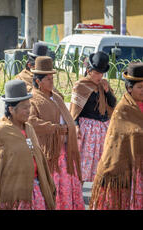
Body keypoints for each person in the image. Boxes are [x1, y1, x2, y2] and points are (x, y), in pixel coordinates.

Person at [0, 80, 56, 210]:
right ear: (11, 109)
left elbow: (39, 159)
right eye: (24, 108)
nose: (29, 111)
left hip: (35, 191)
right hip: (12, 197)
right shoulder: (1, 132)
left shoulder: (29, 129)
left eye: (29, 106)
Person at [28, 56, 85, 210]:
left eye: (52, 77)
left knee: (67, 185)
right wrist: (55, 128)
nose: (52, 81)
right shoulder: (33, 99)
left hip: (64, 151)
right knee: (53, 187)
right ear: (38, 81)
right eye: (48, 78)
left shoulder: (56, 97)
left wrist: (71, 128)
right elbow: (31, 121)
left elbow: (67, 117)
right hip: (50, 154)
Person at [90, 62, 143, 210]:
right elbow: (118, 140)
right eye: (140, 87)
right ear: (129, 88)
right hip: (130, 170)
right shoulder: (123, 109)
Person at [70, 51, 116, 183]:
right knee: (84, 164)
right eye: (96, 72)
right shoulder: (81, 85)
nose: (99, 76)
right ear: (89, 71)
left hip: (103, 128)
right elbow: (74, 110)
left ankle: (99, 197)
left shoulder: (104, 84)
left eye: (101, 73)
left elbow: (112, 104)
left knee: (103, 165)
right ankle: (78, 195)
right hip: (87, 130)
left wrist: (107, 92)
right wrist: (76, 126)